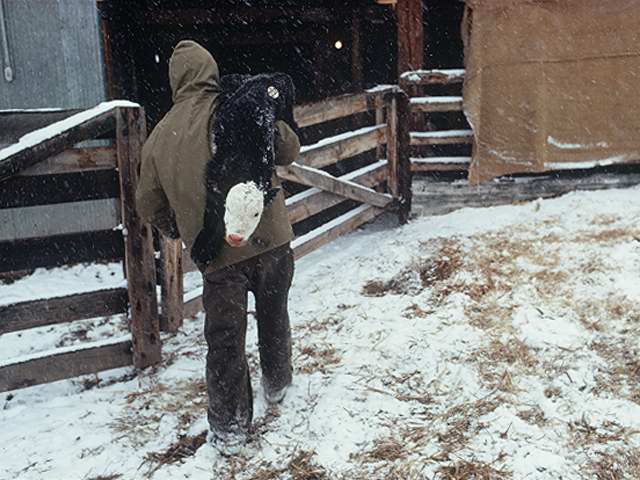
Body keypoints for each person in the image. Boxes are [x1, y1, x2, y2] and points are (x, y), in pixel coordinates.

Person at [135, 40, 300, 454]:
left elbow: (148, 203)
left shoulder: (158, 138)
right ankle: (278, 386)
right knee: (274, 314)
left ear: (176, 81)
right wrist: (273, 115)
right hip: (271, 238)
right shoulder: (241, 103)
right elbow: (289, 149)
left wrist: (179, 228)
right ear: (210, 70)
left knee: (225, 339)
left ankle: (229, 427)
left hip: (218, 253)